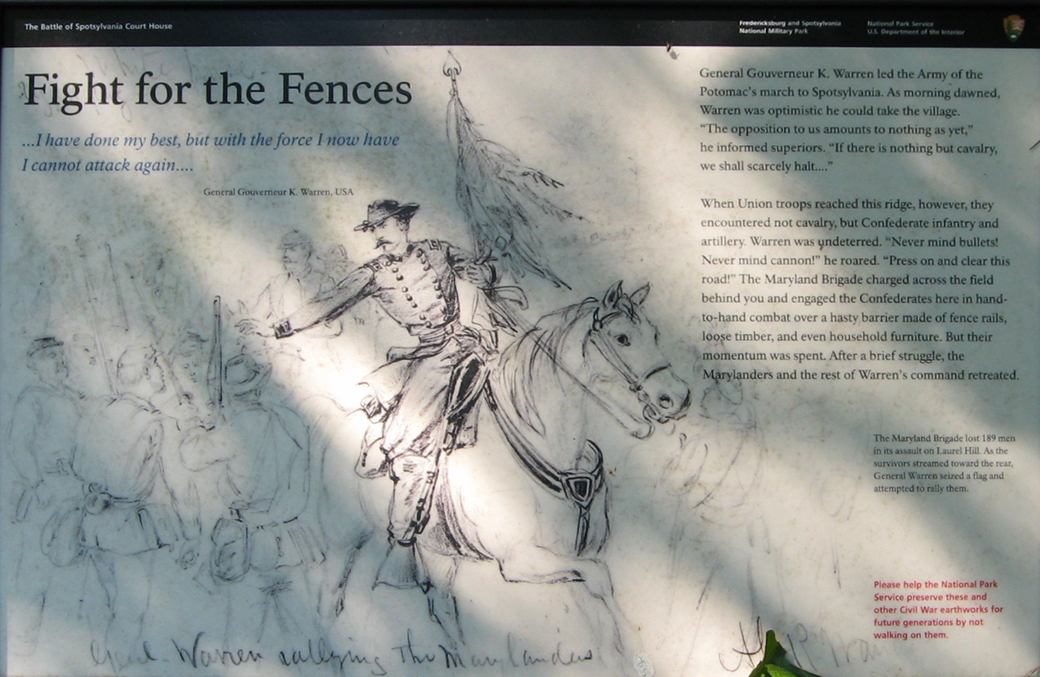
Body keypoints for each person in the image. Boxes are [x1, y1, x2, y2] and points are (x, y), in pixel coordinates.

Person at [274, 199, 497, 587]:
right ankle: (404, 535)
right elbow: (331, 301)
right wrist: (289, 324)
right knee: (400, 431)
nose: (379, 236)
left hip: (460, 343)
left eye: (385, 227)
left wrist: (485, 272)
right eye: (373, 230)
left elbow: (475, 270)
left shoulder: (436, 251)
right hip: (420, 355)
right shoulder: (374, 273)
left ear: (403, 225)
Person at [5, 337, 83, 654]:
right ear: (36, 366)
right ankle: (23, 648)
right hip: (45, 492)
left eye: (61, 356)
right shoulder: (32, 399)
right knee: (35, 571)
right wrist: (39, 484)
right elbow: (18, 447)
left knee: (71, 567)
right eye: (51, 358)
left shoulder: (76, 399)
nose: (60, 362)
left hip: (75, 491)